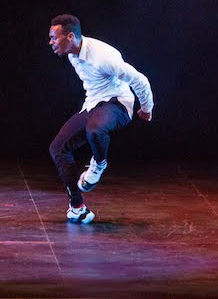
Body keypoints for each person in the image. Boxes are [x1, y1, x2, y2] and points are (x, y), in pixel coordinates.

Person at [47, 14, 153, 224]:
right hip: (94, 105)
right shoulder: (72, 54)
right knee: (58, 148)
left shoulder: (103, 57)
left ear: (70, 36)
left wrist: (146, 108)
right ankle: (77, 207)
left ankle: (98, 164)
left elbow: (139, 79)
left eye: (54, 38)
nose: (50, 43)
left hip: (118, 104)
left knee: (95, 129)